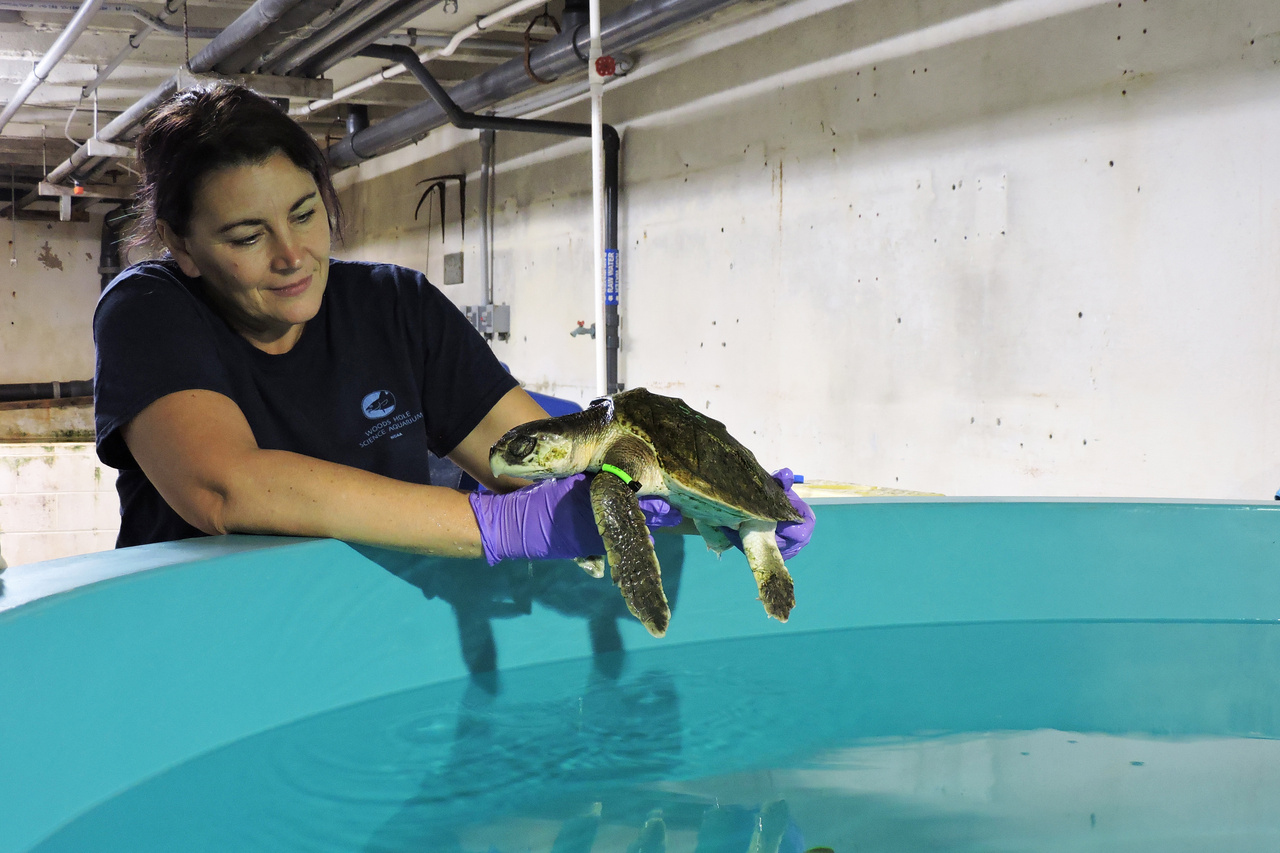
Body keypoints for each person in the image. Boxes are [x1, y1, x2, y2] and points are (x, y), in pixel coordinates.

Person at [93, 82, 814, 568]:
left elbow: (538, 460)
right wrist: (494, 526)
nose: (292, 255)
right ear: (182, 247)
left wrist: (712, 501)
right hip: (204, 651)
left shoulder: (394, 306)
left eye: (305, 213)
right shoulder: (148, 312)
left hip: (378, 634)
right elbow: (224, 489)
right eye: (247, 237)